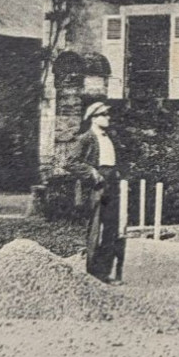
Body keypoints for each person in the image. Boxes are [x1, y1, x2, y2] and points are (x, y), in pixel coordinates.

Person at [74, 98, 123, 281]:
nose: (107, 117)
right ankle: (92, 272)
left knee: (111, 227)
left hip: (111, 183)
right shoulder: (86, 138)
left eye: (108, 114)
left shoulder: (109, 137)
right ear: (93, 118)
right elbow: (71, 162)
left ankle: (104, 272)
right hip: (97, 186)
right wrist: (91, 172)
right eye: (103, 114)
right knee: (95, 228)